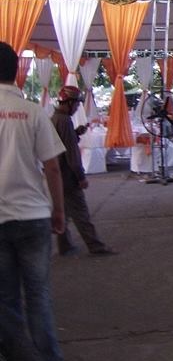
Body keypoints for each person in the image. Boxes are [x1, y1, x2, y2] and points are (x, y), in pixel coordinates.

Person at [0, 41, 83, 361]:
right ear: (16, 72)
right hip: (32, 216)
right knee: (38, 294)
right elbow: (52, 167)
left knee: (6, 299)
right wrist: (58, 212)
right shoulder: (33, 112)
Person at [51, 86, 117, 257]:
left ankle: (65, 246)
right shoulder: (64, 121)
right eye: (76, 104)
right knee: (81, 213)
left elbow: (62, 142)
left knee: (64, 212)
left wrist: (76, 133)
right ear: (69, 103)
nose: (77, 108)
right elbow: (72, 154)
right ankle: (96, 246)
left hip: (58, 176)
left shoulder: (55, 118)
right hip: (68, 176)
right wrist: (81, 176)